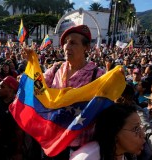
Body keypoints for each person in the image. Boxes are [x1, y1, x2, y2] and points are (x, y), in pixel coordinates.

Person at [30, 24, 105, 159]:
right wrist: (32, 65)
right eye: (65, 42)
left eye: (73, 43)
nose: (67, 47)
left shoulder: (98, 76)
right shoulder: (56, 69)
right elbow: (38, 90)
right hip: (53, 140)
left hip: (80, 146)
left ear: (86, 48)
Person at [70, 104, 146, 160]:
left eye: (140, 127)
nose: (143, 135)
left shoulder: (122, 155)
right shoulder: (87, 157)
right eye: (136, 129)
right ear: (114, 132)